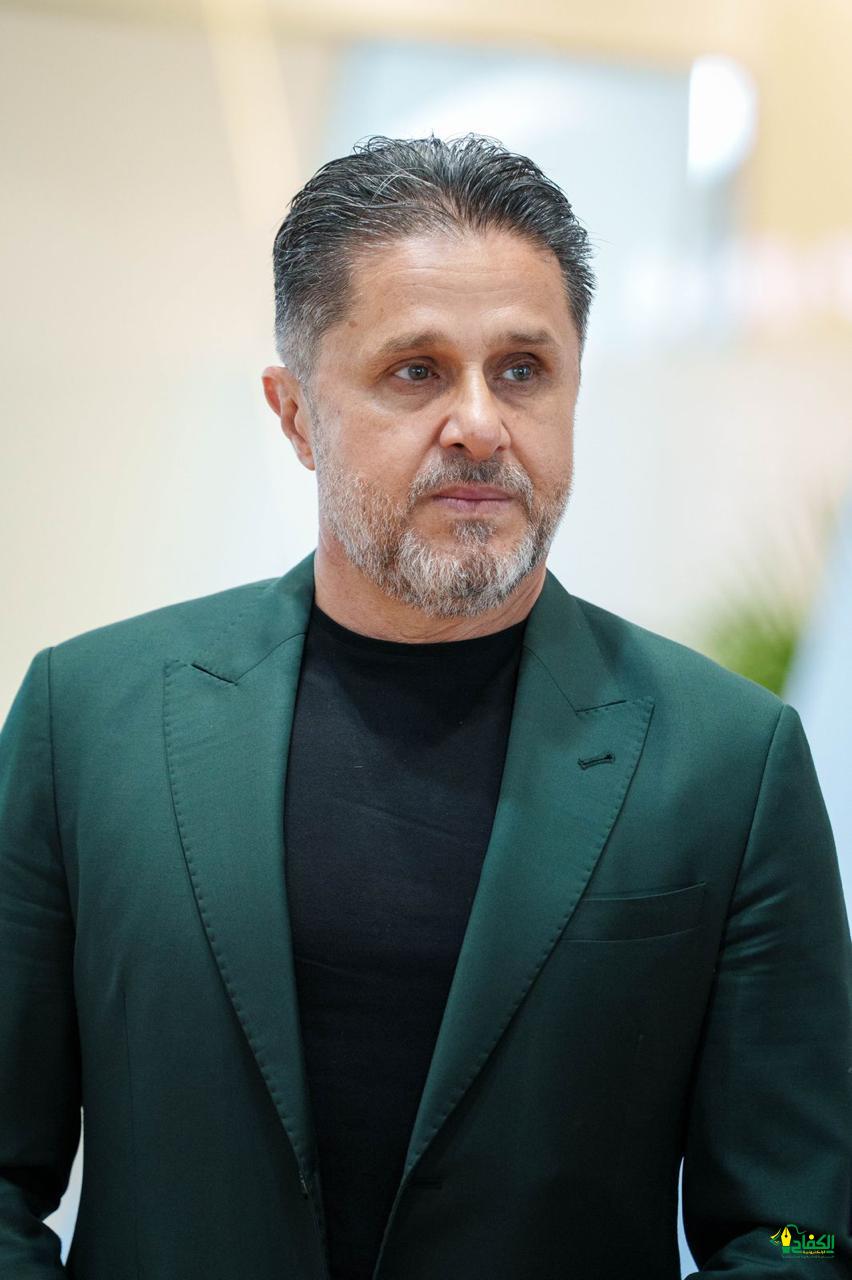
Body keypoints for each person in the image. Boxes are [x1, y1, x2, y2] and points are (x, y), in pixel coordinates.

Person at [0, 133, 849, 1280]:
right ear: (294, 413)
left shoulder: (729, 762)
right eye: (416, 371)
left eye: (523, 369)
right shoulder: (86, 720)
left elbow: (801, 1227)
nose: (481, 425)